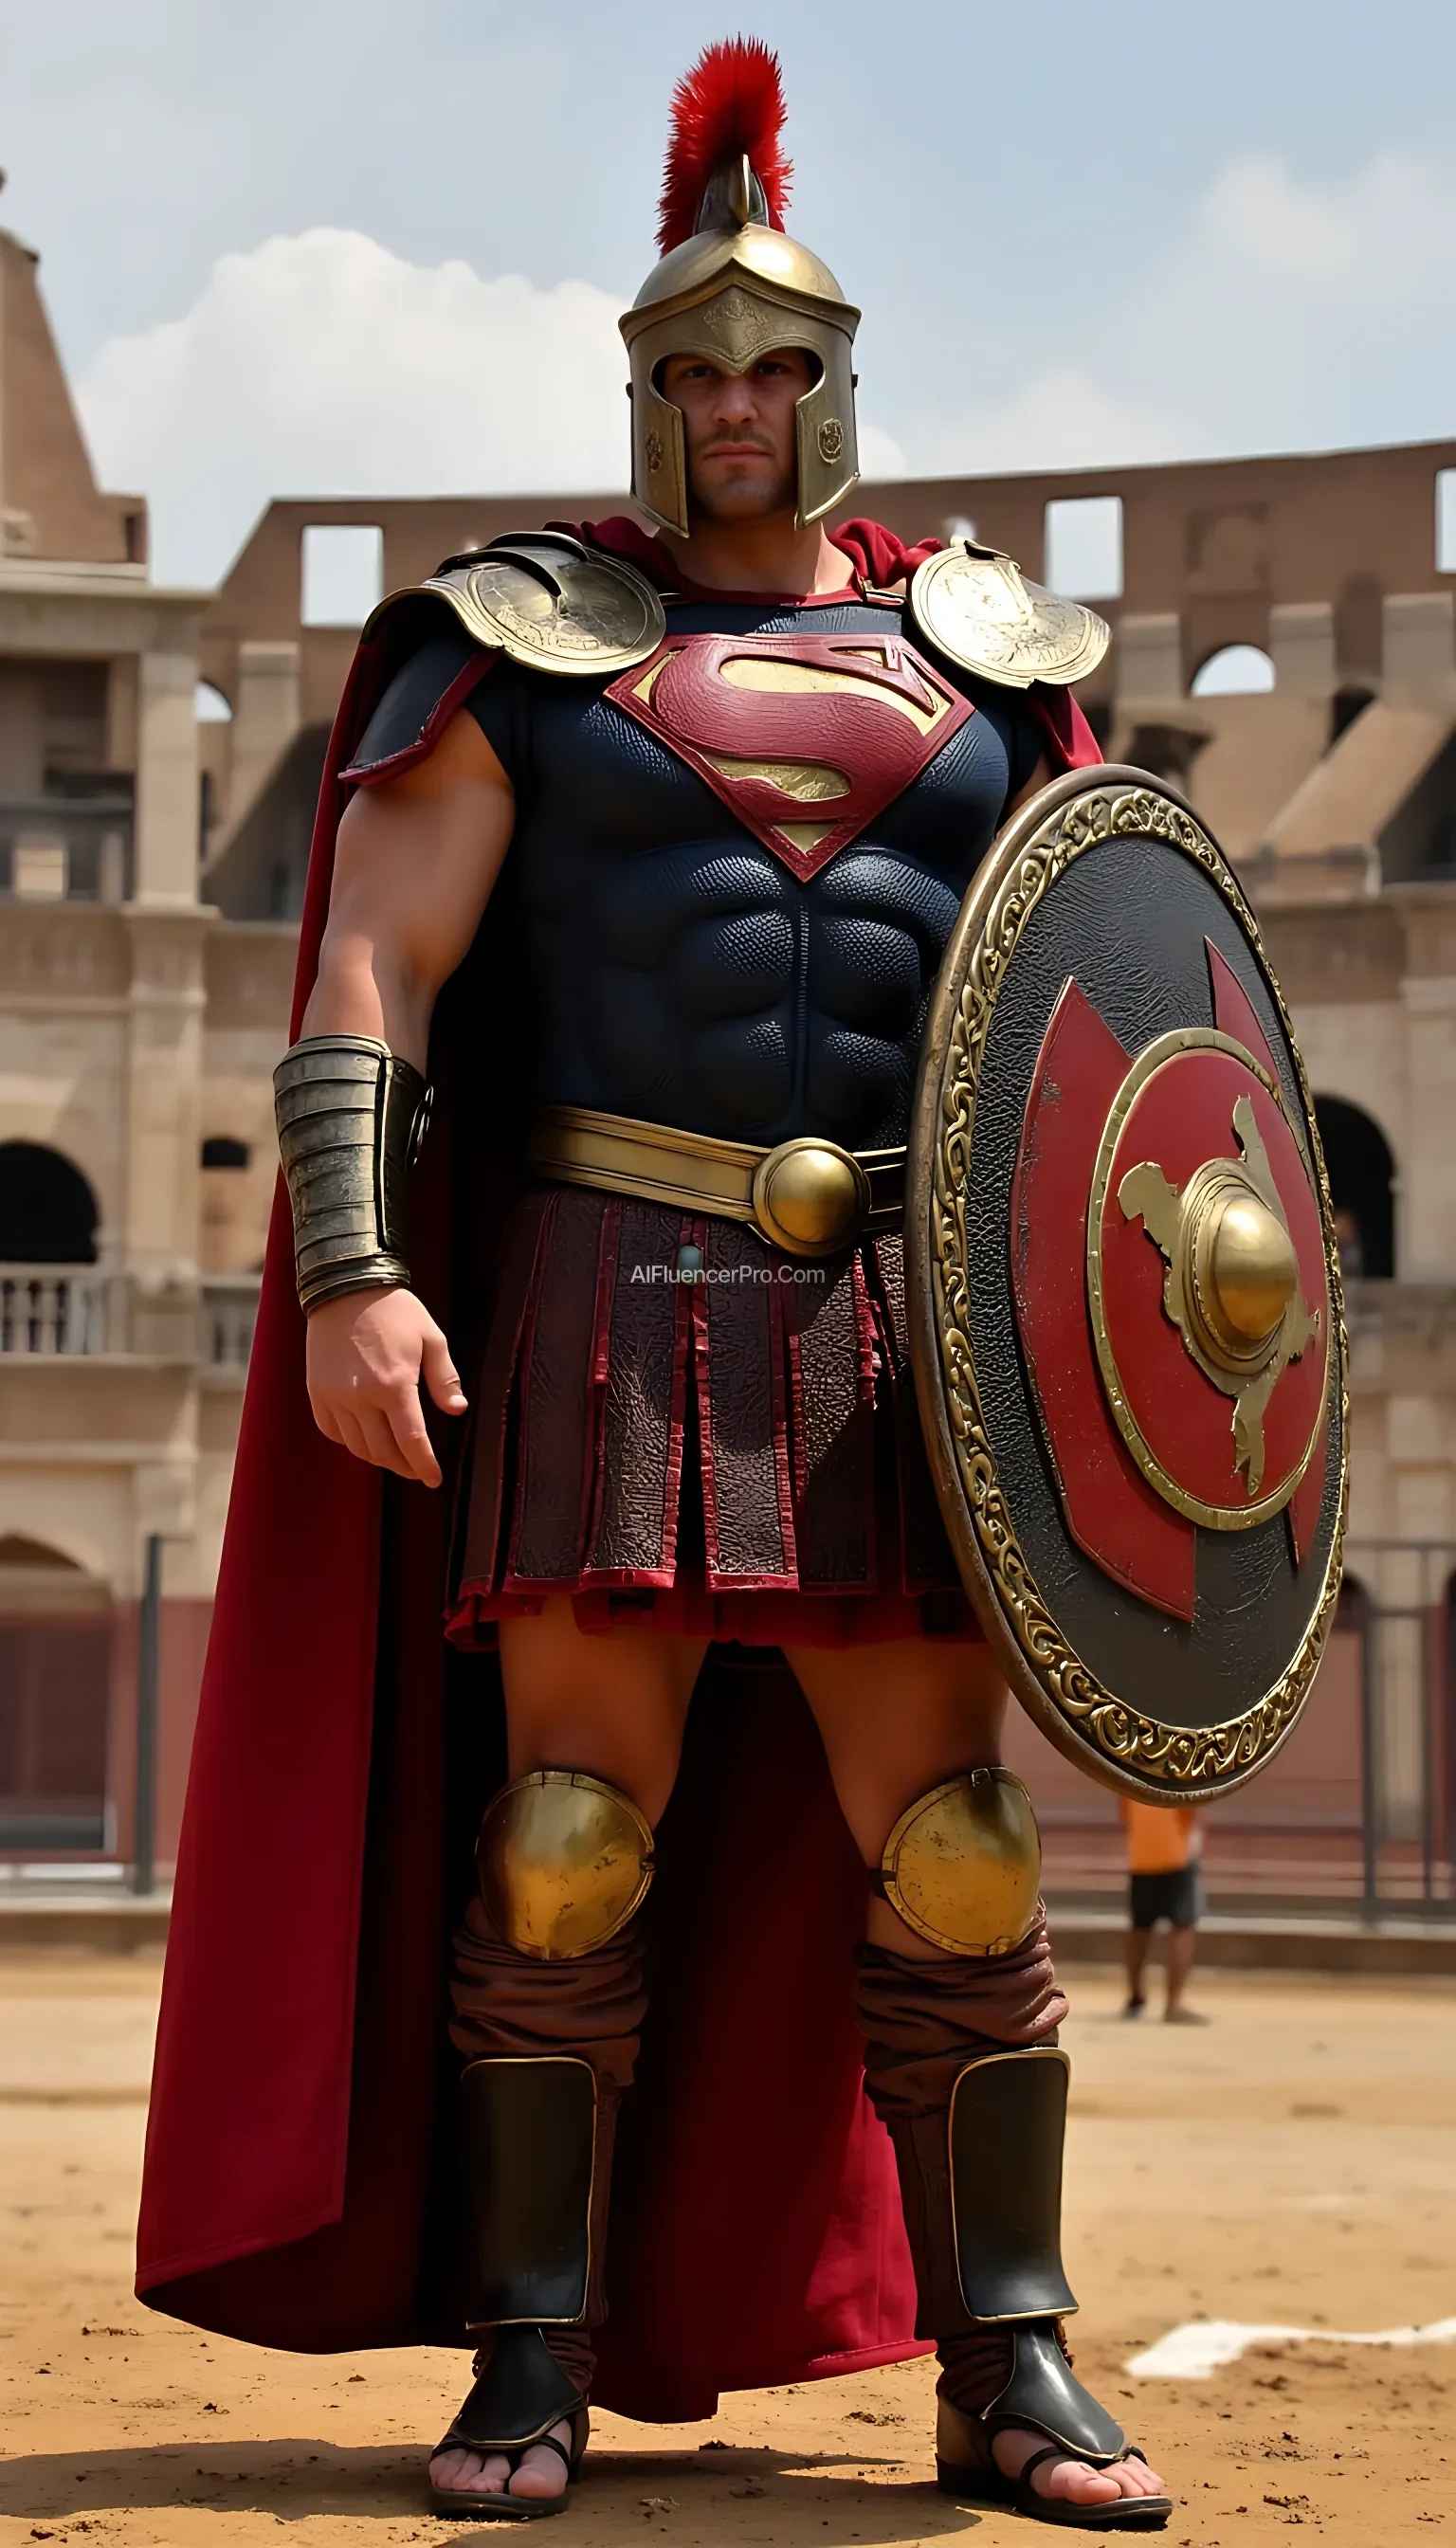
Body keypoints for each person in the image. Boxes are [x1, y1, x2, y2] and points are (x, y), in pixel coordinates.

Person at [137, 39, 1170, 2533]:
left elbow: (1123, 1022)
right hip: (614, 1264)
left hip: (900, 1324)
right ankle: (526, 2354)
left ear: (837, 383)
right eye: (695, 368)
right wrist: (360, 1282)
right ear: (643, 382)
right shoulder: (525, 646)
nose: (736, 404)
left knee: (954, 1851)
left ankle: (1004, 2363)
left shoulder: (998, 662)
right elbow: (372, 976)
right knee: (565, 1845)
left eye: (778, 368)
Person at [1120, 1799, 1208, 2024]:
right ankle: (1174, 2004)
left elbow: (1125, 1813)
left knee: (1140, 1928)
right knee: (1182, 1927)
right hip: (1176, 1854)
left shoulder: (1131, 1772)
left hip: (1141, 1854)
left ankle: (1135, 1999)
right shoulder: (1179, 1772)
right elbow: (1193, 1807)